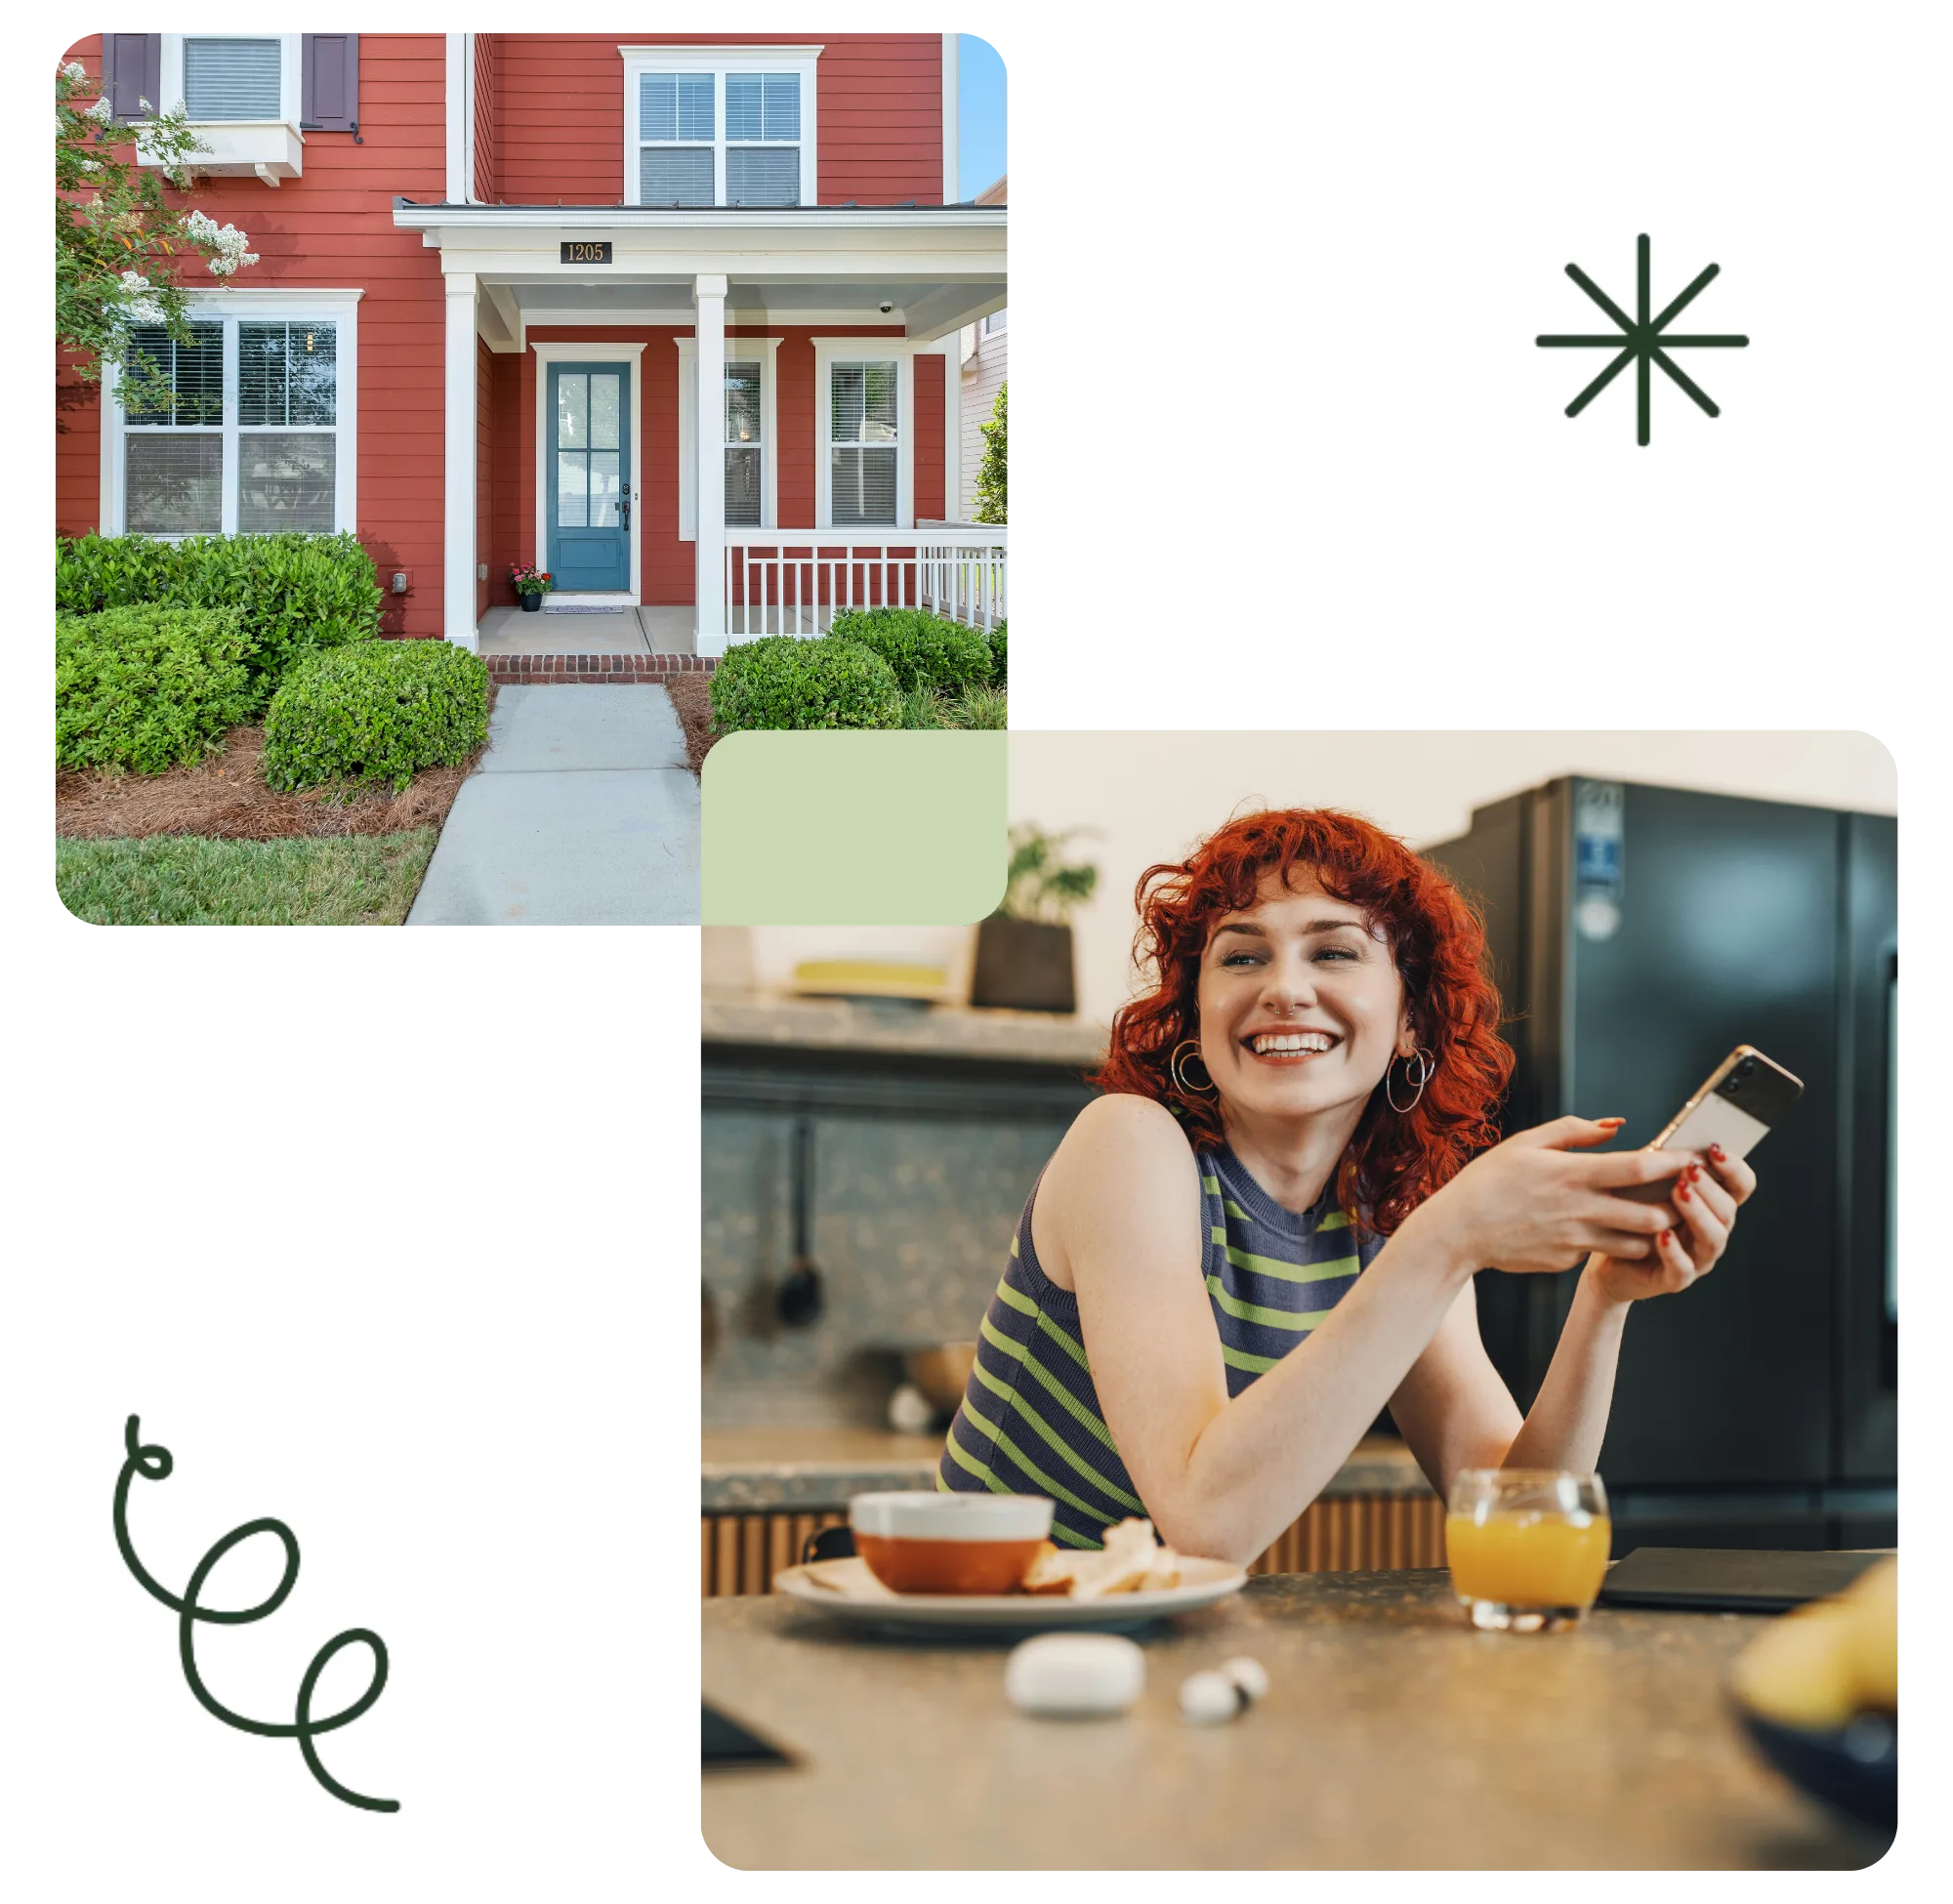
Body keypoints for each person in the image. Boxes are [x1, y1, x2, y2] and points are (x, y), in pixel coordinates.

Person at [937, 807, 1758, 1564]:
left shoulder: (1386, 1224)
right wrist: (1451, 1236)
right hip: (970, 1647)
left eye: (1333, 951)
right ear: (1194, 1014)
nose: (1284, 987)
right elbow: (1206, 1523)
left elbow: (1522, 1525)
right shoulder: (1129, 1145)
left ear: (1411, 1021)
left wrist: (1604, 1300)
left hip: (1139, 1656)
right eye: (1242, 955)